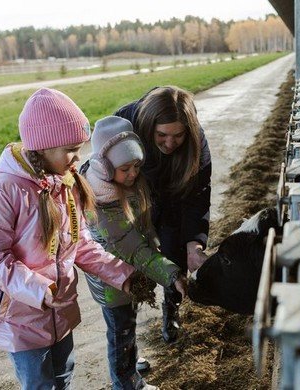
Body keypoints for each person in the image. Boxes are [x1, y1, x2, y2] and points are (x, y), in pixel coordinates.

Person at [0, 88, 136, 390]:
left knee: (63, 375)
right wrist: (38, 289)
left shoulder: (65, 183)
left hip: (59, 309)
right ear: (43, 147)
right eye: (70, 149)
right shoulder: (3, 191)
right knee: (41, 384)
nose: (77, 157)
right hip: (22, 315)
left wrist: (123, 275)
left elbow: (80, 243)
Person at [80, 115, 188, 390]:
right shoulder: (103, 208)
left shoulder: (127, 187)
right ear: (104, 168)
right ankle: (127, 383)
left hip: (128, 277)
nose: (133, 173)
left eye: (137, 166)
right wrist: (171, 272)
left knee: (126, 327)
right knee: (120, 332)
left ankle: (130, 363)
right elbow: (136, 250)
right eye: (125, 168)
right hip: (114, 284)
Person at [114, 86, 211, 343]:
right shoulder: (125, 125)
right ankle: (128, 331)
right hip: (133, 201)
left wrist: (195, 242)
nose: (170, 143)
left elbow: (198, 193)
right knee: (133, 263)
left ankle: (171, 309)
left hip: (173, 200)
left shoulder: (196, 141)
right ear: (148, 127)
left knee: (175, 251)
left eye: (178, 136)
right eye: (162, 135)